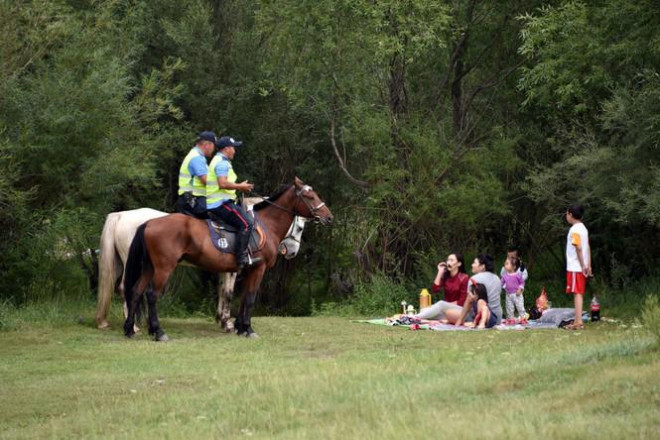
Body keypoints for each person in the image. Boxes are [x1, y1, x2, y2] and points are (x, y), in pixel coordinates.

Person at [206, 136, 258, 270]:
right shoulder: (222, 162)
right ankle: (240, 258)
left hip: (219, 201)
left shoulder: (219, 160)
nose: (235, 151)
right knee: (247, 224)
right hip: (219, 203)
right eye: (233, 148)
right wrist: (240, 187)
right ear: (226, 149)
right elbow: (222, 183)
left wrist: (239, 186)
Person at [451, 254, 503, 326]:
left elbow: (469, 301)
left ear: (482, 266)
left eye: (474, 263)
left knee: (447, 312)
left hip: (483, 317)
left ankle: (459, 322)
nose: (472, 265)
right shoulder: (497, 278)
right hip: (498, 319)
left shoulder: (474, 278)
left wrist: (459, 321)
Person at [415, 253, 468, 321]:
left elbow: (462, 301)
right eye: (448, 260)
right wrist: (440, 272)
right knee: (424, 310)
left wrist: (443, 305)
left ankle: (414, 317)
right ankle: (445, 319)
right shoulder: (446, 276)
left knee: (440, 304)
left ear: (459, 264)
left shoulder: (464, 278)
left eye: (451, 260)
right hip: (446, 309)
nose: (448, 262)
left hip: (460, 310)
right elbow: (435, 289)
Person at [176, 131, 216, 219]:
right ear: (207, 145)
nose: (213, 149)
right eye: (213, 146)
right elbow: (205, 180)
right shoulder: (196, 157)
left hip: (189, 198)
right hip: (193, 199)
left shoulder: (195, 155)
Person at [564, 203, 592, 330]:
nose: (566, 216)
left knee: (577, 293)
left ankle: (578, 322)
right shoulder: (583, 228)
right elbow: (588, 246)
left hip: (576, 267)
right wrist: (588, 265)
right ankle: (577, 320)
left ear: (570, 214)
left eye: (566, 213)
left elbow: (579, 248)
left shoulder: (574, 230)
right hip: (581, 266)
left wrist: (582, 266)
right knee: (578, 292)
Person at [501, 257, 526, 323]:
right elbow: (501, 283)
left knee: (520, 307)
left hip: (517, 294)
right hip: (508, 295)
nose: (505, 265)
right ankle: (510, 319)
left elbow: (522, 283)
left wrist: (520, 289)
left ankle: (523, 318)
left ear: (514, 266)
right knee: (509, 307)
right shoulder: (504, 276)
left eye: (507, 264)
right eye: (505, 264)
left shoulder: (518, 275)